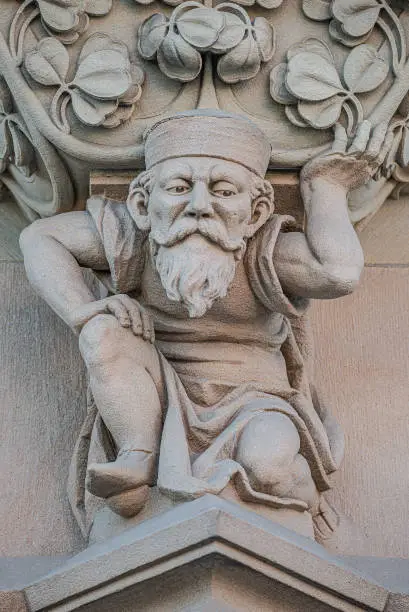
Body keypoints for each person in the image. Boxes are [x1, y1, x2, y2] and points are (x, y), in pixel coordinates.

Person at [19, 111, 389, 520]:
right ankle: (137, 453)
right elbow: (40, 237)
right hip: (154, 386)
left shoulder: (262, 251)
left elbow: (336, 273)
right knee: (102, 331)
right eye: (178, 188)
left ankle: (308, 496)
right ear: (143, 204)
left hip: (253, 398)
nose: (199, 206)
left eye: (224, 192)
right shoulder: (134, 238)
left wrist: (326, 187)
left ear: (256, 211)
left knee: (269, 470)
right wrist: (83, 309)